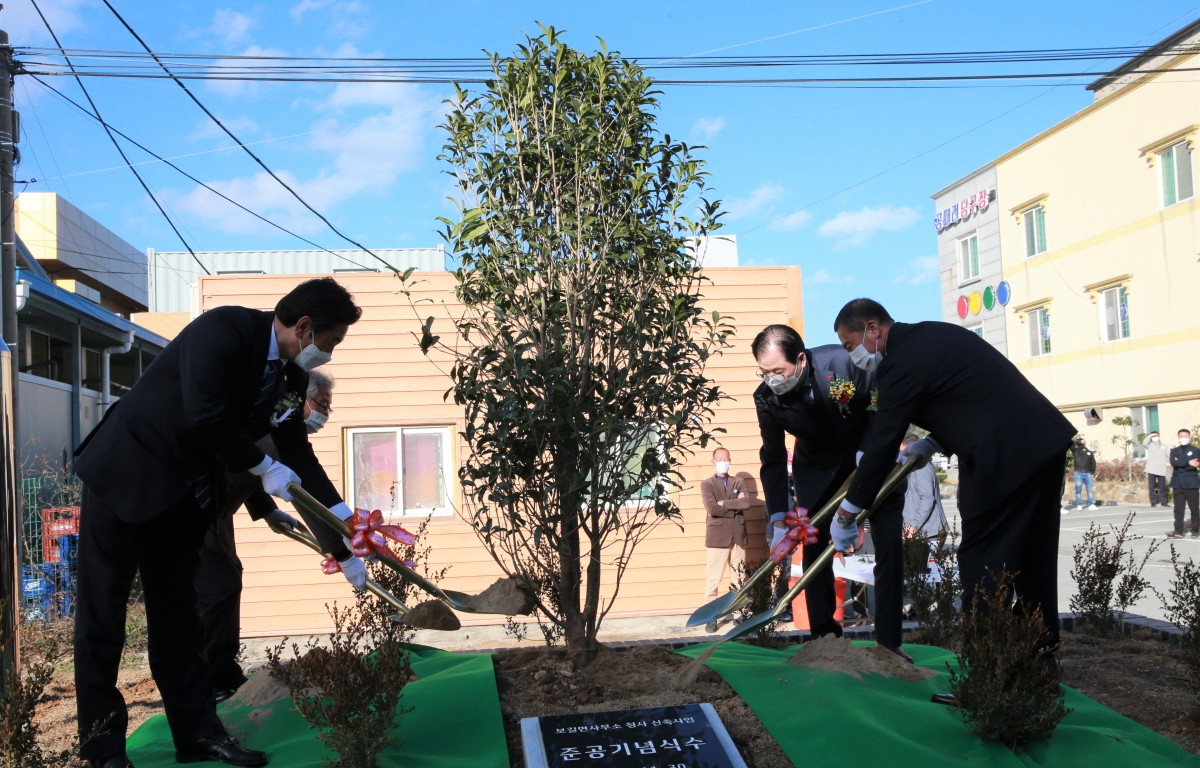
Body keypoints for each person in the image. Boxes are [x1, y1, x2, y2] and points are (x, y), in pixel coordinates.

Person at [72, 278, 363, 768]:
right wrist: (263, 467)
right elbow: (204, 414)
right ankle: (103, 750)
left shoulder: (290, 380)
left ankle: (198, 735)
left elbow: (298, 453)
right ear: (305, 327)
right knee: (103, 620)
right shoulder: (225, 329)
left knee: (180, 621)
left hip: (184, 501)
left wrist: (341, 528)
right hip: (125, 477)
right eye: (330, 343)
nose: (328, 354)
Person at [832, 299, 1075, 656]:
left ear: (872, 328)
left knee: (983, 565)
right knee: (1033, 564)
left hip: (1002, 458)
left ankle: (986, 679)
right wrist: (933, 442)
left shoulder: (897, 362)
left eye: (851, 346)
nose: (854, 356)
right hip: (1042, 443)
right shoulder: (935, 333)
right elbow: (973, 397)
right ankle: (1038, 670)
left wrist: (848, 511)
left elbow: (883, 442)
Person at [197, 368, 359, 703]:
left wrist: (267, 511)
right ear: (301, 402)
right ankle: (206, 682)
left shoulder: (270, 430)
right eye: (323, 404)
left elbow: (247, 466)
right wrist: (343, 554)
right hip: (193, 508)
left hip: (218, 508)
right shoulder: (279, 434)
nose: (326, 413)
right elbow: (309, 498)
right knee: (217, 586)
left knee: (230, 578)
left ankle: (224, 674)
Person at [752, 324, 908, 658]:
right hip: (818, 473)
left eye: (778, 370)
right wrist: (779, 517)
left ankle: (890, 642)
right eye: (764, 372)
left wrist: (873, 449)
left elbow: (882, 400)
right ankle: (825, 640)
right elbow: (773, 457)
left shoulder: (843, 363)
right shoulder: (765, 398)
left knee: (889, 547)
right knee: (814, 552)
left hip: (873, 462)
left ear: (802, 360)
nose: (771, 379)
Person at [700, 448, 750, 633]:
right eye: (720, 458)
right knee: (713, 579)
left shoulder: (739, 481)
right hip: (717, 537)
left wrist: (725, 504)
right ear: (713, 462)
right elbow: (711, 509)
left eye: (726, 458)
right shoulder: (706, 484)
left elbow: (746, 503)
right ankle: (710, 616)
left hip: (738, 535)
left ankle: (740, 613)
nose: (724, 461)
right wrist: (734, 504)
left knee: (739, 577)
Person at [900, 433, 947, 544]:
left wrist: (913, 527)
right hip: (921, 532)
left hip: (928, 533)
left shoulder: (921, 468)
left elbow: (927, 498)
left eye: (902, 452)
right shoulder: (914, 466)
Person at [1169, 429, 1200, 539]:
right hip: (1177, 483)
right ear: (1178, 437)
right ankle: (1178, 530)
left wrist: (1180, 463)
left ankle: (1195, 529)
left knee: (1194, 508)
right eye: (1181, 436)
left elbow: (1195, 464)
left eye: (1185, 436)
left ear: (1189, 437)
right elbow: (1173, 462)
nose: (1183, 438)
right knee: (1178, 509)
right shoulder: (1174, 451)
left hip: (1191, 483)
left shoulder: (1196, 450)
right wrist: (1187, 462)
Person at [1069, 436, 1098, 512]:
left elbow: (1093, 463)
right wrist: (1078, 441)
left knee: (1089, 490)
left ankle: (1090, 504)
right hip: (1078, 473)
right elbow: (1070, 445)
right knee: (1078, 490)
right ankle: (1079, 504)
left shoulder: (1089, 452)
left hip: (1088, 473)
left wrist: (1092, 472)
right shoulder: (1076, 451)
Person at [1144, 431, 1171, 508]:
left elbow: (1168, 456)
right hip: (1151, 469)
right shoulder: (1150, 446)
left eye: (1156, 436)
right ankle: (1153, 502)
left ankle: (1163, 502)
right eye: (1154, 436)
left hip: (1161, 469)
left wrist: (1170, 463)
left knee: (1162, 486)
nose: (1155, 437)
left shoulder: (1164, 446)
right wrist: (1150, 435)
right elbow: (1144, 443)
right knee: (1151, 486)